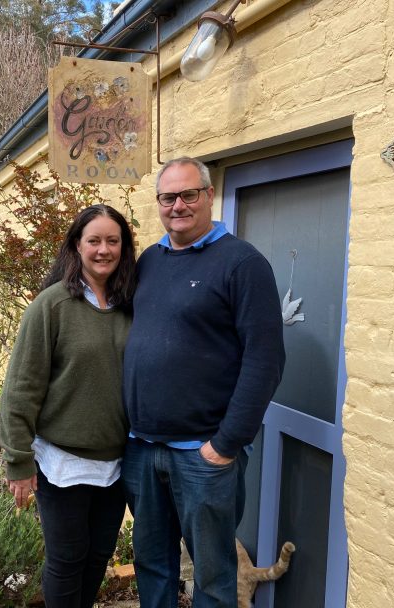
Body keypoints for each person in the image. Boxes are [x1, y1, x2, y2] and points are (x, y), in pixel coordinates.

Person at [122, 157, 286, 607]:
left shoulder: (243, 264)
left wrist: (227, 443)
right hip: (141, 448)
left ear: (209, 195)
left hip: (203, 454)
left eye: (188, 194)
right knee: (153, 567)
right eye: (168, 197)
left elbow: (266, 360)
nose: (178, 205)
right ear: (158, 202)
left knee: (212, 578)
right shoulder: (150, 261)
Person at [0, 203, 136, 608]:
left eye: (113, 241)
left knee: (97, 557)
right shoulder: (52, 305)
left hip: (117, 462)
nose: (103, 250)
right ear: (77, 246)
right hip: (62, 462)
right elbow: (21, 387)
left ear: (123, 247)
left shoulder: (130, 305)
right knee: (67, 558)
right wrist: (18, 461)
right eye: (94, 240)